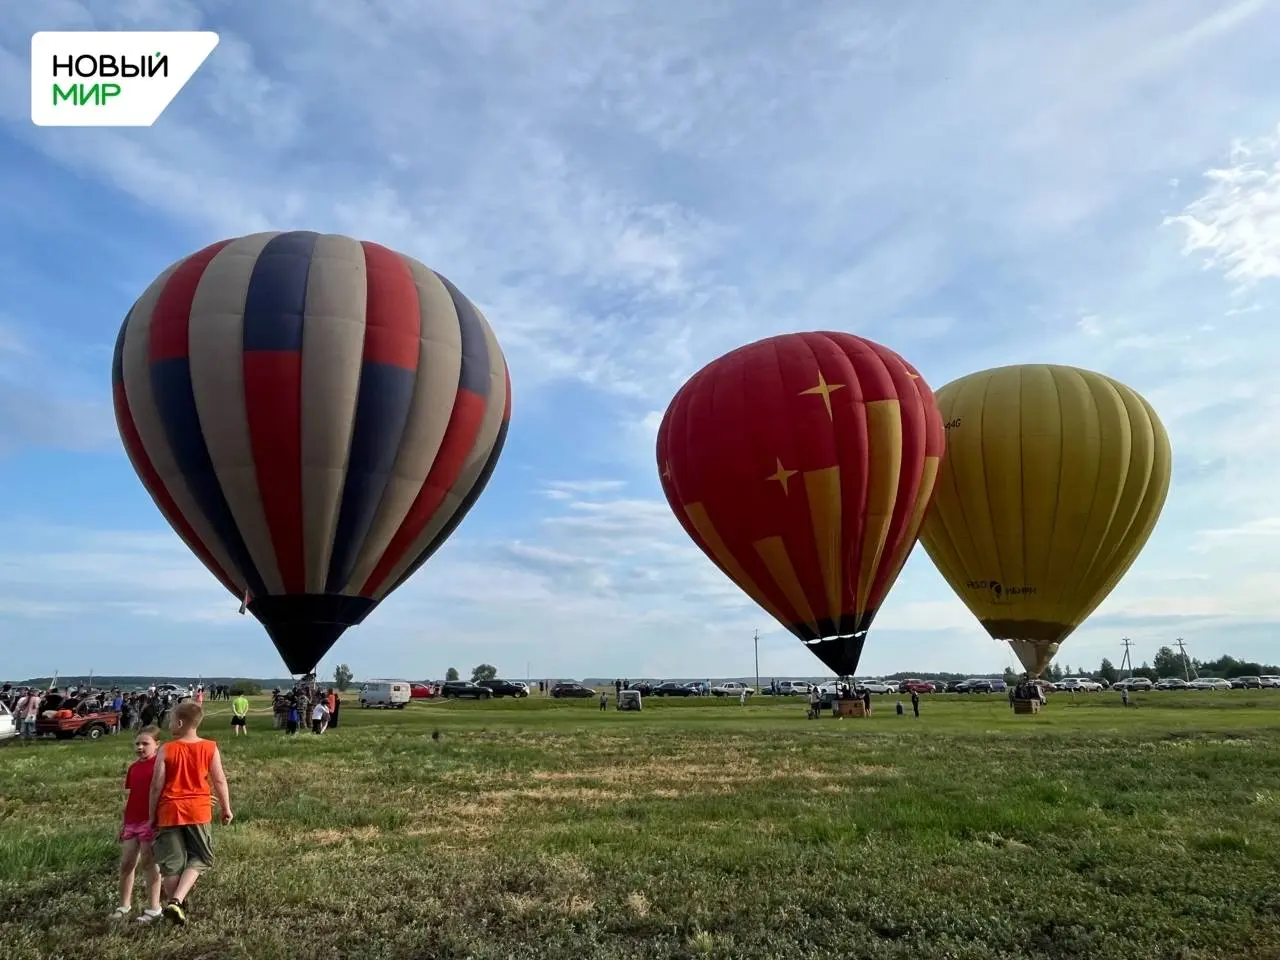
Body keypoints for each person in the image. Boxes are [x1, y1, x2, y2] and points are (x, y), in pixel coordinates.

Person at [149, 702, 232, 925]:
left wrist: (151, 815)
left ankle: (175, 906)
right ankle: (177, 901)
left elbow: (156, 785)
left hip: (169, 810)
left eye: (170, 719)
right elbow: (219, 780)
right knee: (202, 857)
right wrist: (226, 807)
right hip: (198, 810)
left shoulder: (166, 749)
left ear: (179, 722)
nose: (168, 724)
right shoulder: (210, 747)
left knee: (171, 863)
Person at [112, 726, 163, 923]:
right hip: (132, 822)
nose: (140, 747)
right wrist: (124, 823)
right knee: (126, 864)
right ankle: (124, 906)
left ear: (157, 745)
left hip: (151, 823)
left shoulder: (160, 766)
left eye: (145, 744)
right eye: (137, 744)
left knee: (149, 864)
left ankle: (154, 908)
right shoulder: (133, 768)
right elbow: (132, 797)